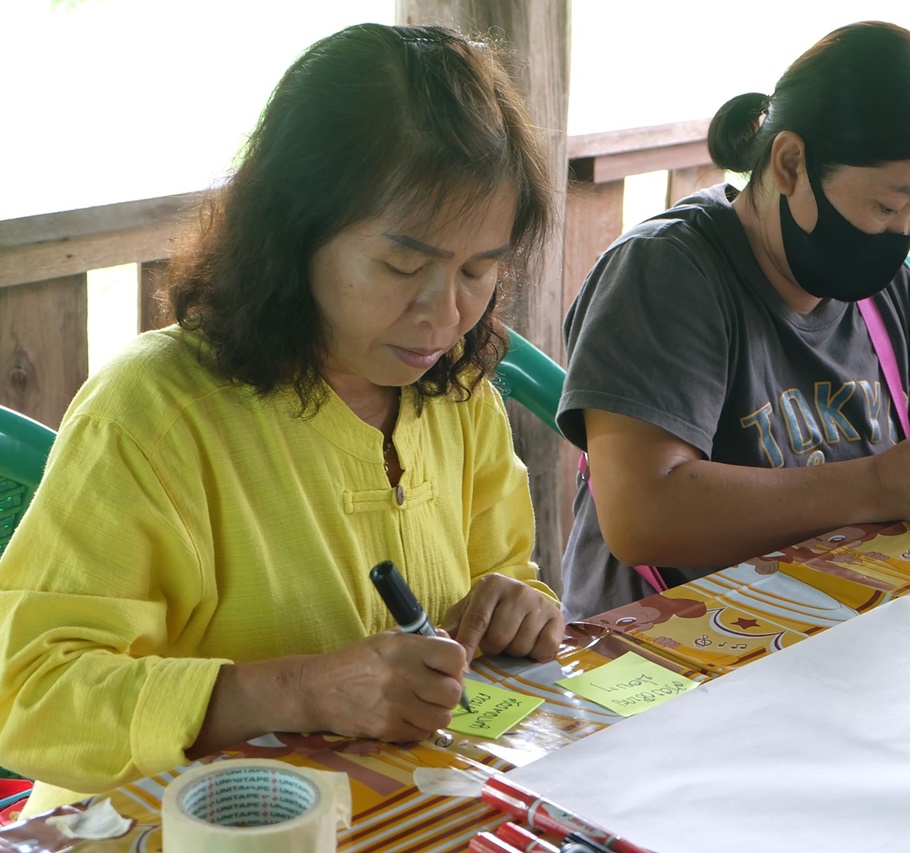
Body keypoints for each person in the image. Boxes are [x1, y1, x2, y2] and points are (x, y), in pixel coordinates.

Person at [0, 23, 564, 814]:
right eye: (403, 266)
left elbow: (501, 579)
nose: (446, 315)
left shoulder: (458, 397)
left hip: (393, 813)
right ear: (294, 234)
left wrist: (517, 609)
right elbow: (30, 691)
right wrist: (300, 689)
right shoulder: (156, 413)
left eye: (478, 270)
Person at [555, 22, 910, 622]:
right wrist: (879, 485)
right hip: (669, 658)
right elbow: (642, 514)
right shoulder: (668, 271)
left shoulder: (885, 292)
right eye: (884, 205)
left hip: (830, 630)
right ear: (790, 162)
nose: (899, 235)